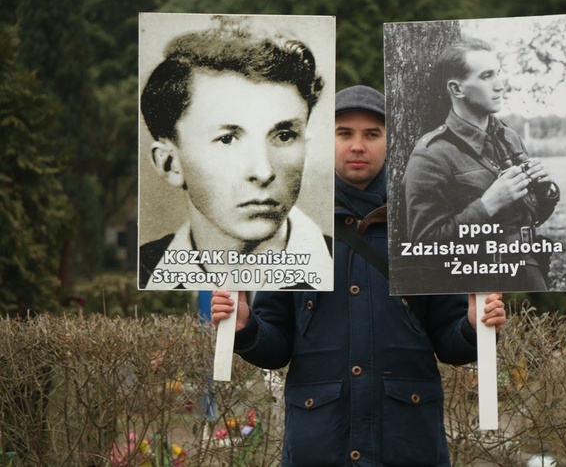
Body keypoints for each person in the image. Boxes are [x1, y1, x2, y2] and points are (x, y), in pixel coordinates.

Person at [211, 85, 507, 466]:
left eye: (372, 134)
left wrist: (472, 325)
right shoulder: (292, 226)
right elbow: (277, 346)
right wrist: (245, 327)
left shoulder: (423, 224)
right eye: (344, 133)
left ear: (391, 142)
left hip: (407, 445)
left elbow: (450, 343)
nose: (357, 146)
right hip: (320, 446)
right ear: (323, 141)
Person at [138, 22, 332, 291]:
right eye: (227, 139)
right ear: (169, 164)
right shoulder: (139, 275)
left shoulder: (351, 266)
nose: (263, 172)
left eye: (285, 135)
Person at [403, 38, 560, 292]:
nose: (500, 85)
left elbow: (528, 218)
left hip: (529, 275)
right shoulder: (432, 155)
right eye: (487, 76)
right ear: (456, 89)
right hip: (476, 285)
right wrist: (488, 205)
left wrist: (546, 190)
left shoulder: (509, 137)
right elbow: (424, 245)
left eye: (498, 73)